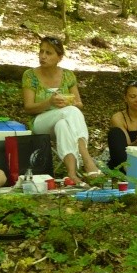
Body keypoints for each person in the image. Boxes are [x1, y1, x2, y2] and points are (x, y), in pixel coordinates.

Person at [22, 36, 102, 184]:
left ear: (59, 57)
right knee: (70, 112)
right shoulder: (30, 75)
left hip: (65, 118)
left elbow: (79, 104)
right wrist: (49, 102)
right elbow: (28, 108)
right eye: (41, 52)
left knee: (63, 124)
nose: (43, 56)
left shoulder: (67, 75)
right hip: (40, 122)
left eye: (49, 53)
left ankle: (71, 174)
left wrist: (70, 102)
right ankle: (87, 159)